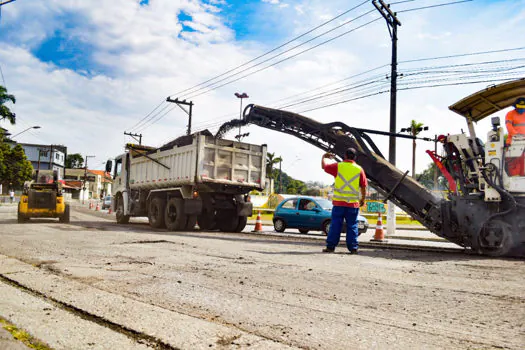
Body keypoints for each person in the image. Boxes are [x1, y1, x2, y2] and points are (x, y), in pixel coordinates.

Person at [321, 147, 367, 254]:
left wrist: (324, 157)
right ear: (355, 157)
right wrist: (363, 199)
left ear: (345, 156)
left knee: (335, 225)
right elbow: (364, 186)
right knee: (352, 226)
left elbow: (324, 167)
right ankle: (353, 248)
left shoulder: (338, 166)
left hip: (338, 203)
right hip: (353, 204)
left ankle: (330, 247)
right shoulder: (359, 169)